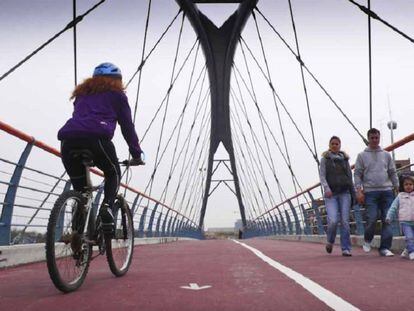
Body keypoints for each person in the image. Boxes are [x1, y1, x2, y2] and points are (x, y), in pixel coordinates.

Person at [58, 62, 143, 232]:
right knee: (113, 173)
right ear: (117, 80)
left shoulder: (81, 94)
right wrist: (136, 154)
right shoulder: (117, 96)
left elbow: (81, 117)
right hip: (97, 140)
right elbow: (127, 127)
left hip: (68, 141)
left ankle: (77, 235)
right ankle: (107, 208)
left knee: (80, 191)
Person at [354, 128, 399, 256]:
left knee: (388, 219)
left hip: (387, 191)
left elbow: (392, 171)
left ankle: (384, 248)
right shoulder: (361, 156)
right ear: (368, 139)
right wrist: (359, 190)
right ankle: (368, 239)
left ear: (379, 138)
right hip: (370, 192)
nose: (374, 140)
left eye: (376, 138)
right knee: (372, 218)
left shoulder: (386, 154)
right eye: (372, 138)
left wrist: (397, 186)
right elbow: (357, 174)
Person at [319, 136, 354, 256]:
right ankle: (330, 241)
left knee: (345, 221)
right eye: (332, 144)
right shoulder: (325, 159)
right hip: (331, 195)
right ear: (329, 145)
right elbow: (322, 176)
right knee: (333, 221)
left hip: (345, 193)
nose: (335, 146)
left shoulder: (345, 159)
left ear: (340, 145)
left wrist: (353, 192)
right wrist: (326, 188)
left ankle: (346, 248)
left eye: (337, 144)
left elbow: (350, 177)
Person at [386, 175, 414, 260]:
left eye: (410, 184)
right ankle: (412, 252)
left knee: (412, 238)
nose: (408, 186)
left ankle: (406, 250)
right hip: (405, 222)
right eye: (406, 184)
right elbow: (393, 207)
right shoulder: (400, 196)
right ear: (402, 186)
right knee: (409, 237)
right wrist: (389, 216)